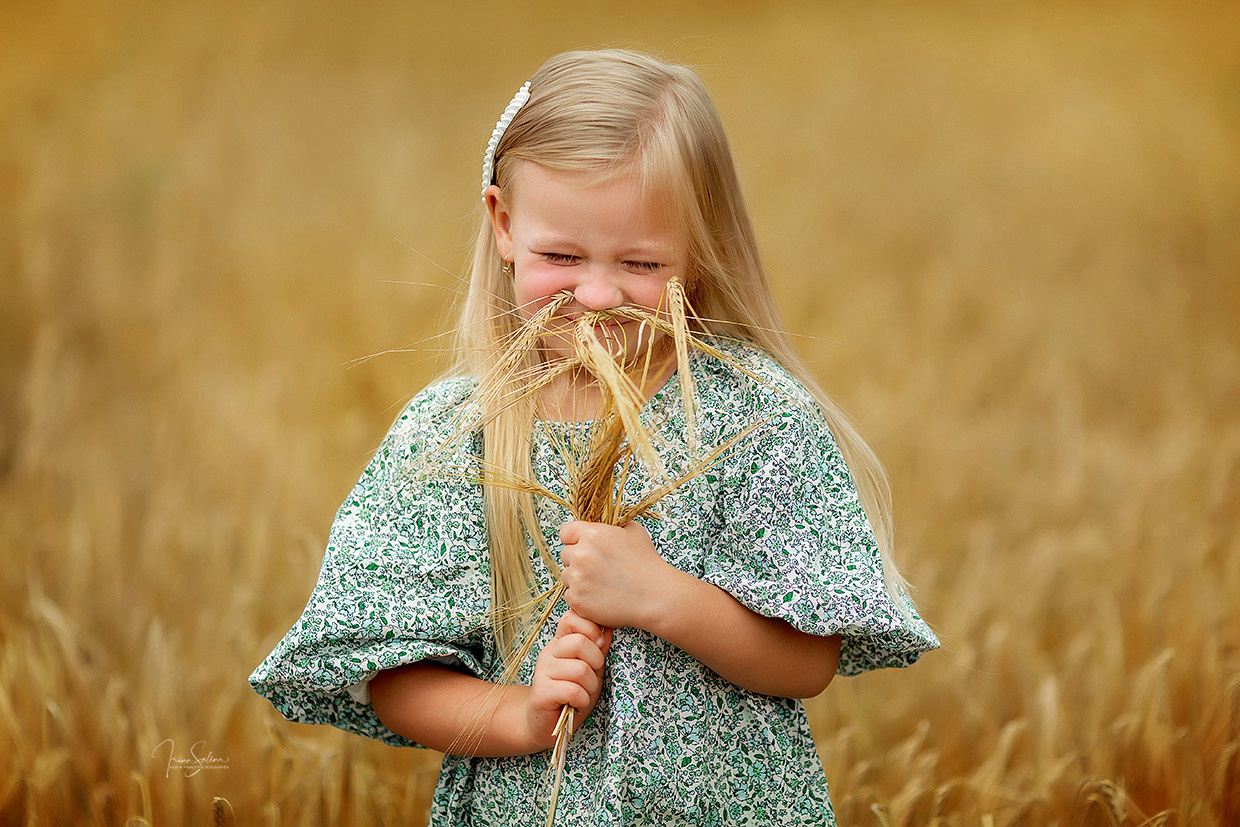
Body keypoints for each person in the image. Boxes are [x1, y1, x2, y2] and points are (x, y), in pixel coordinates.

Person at [250, 49, 939, 825]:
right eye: (561, 256)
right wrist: (521, 714)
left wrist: (664, 597)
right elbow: (394, 675)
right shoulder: (455, 440)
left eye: (641, 262)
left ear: (700, 246)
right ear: (504, 226)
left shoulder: (753, 418)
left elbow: (809, 657)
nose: (601, 296)